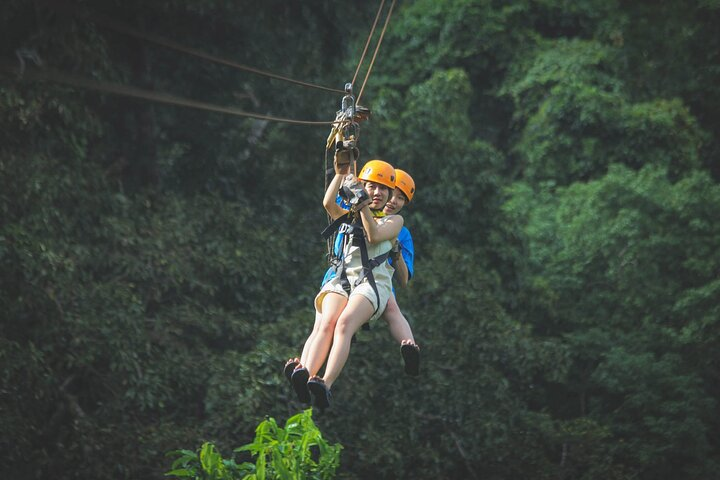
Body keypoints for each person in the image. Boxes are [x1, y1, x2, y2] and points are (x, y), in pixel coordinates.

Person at [286, 157, 403, 409]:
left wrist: (361, 204)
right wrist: (341, 172)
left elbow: (372, 235)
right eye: (372, 186)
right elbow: (329, 203)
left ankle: (324, 384)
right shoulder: (351, 213)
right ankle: (304, 373)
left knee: (344, 324)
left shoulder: (393, 222)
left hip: (370, 283)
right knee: (327, 322)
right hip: (343, 277)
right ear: (363, 185)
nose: (377, 192)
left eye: (383, 189)